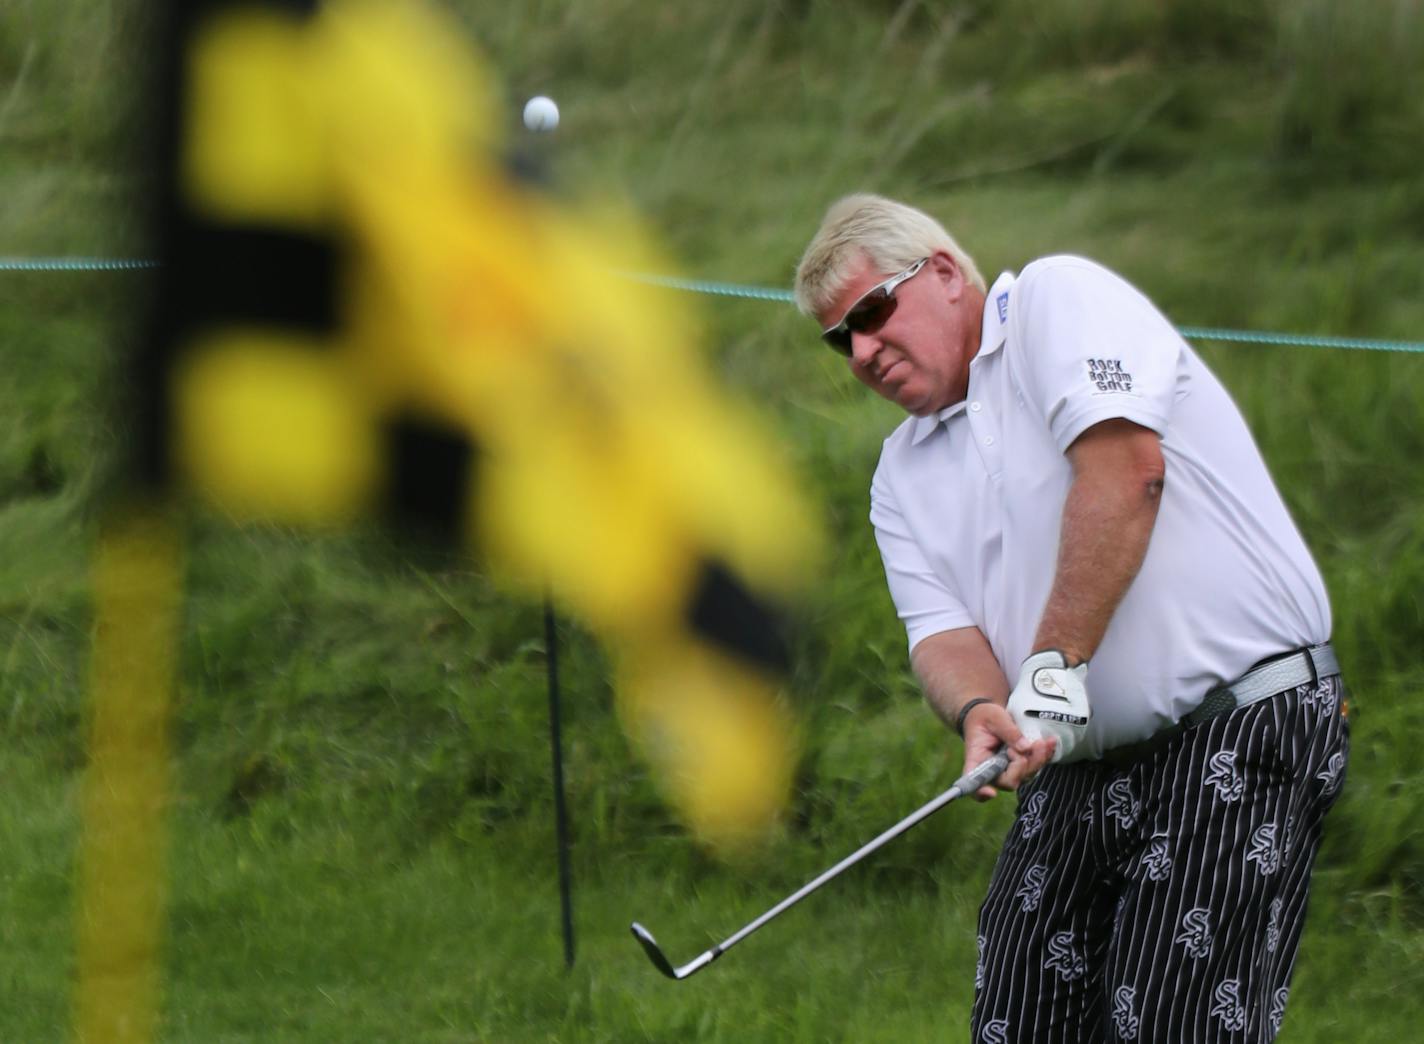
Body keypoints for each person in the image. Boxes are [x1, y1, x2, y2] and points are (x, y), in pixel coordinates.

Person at [794, 193, 1349, 1042]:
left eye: (873, 311)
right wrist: (983, 709)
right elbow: (942, 637)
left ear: (944, 274)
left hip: (1239, 722)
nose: (864, 350)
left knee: (1174, 1022)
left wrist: (1051, 666)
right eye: (843, 338)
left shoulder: (1054, 302)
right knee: (1017, 1018)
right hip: (1074, 761)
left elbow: (1126, 472)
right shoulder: (898, 477)